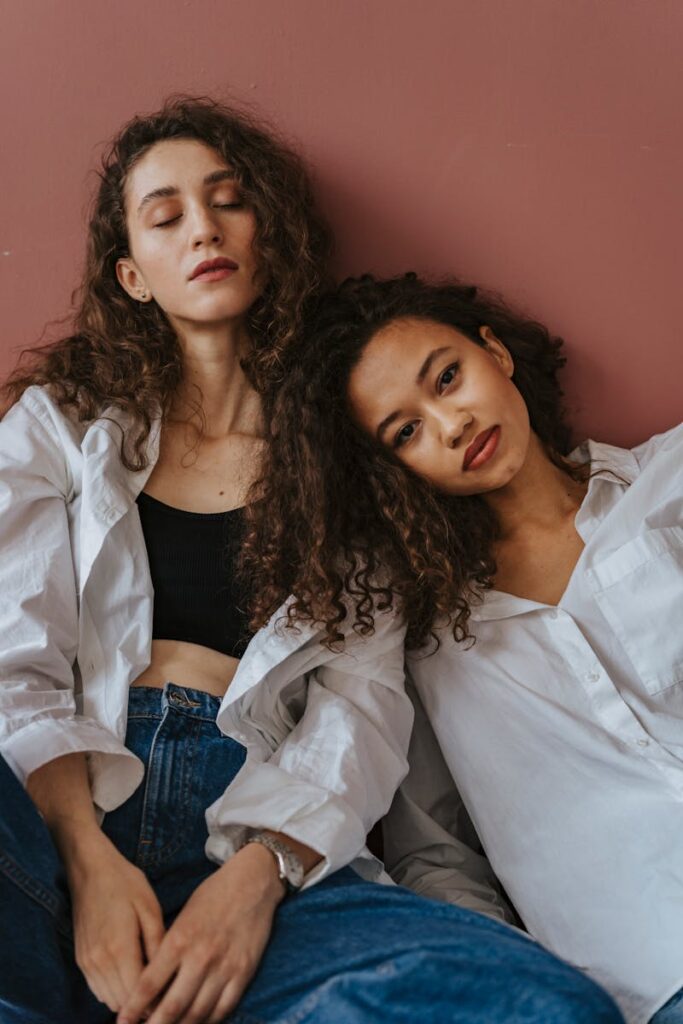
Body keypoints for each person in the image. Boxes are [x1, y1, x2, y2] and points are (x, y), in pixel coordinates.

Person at [0, 101, 621, 1024]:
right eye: (166, 216)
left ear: (272, 235)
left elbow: (359, 701)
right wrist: (88, 862)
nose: (203, 228)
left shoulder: (343, 452)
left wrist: (256, 878)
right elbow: (15, 659)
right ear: (131, 275)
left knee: (541, 1005)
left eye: (228, 201)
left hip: (257, 827)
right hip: (52, 812)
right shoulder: (62, 424)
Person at [243, 270, 683, 1024]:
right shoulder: (421, 639)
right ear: (390, 473)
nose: (450, 425)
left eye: (447, 378)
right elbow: (437, 859)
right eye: (405, 432)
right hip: (646, 979)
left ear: (495, 353)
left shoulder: (670, 483)